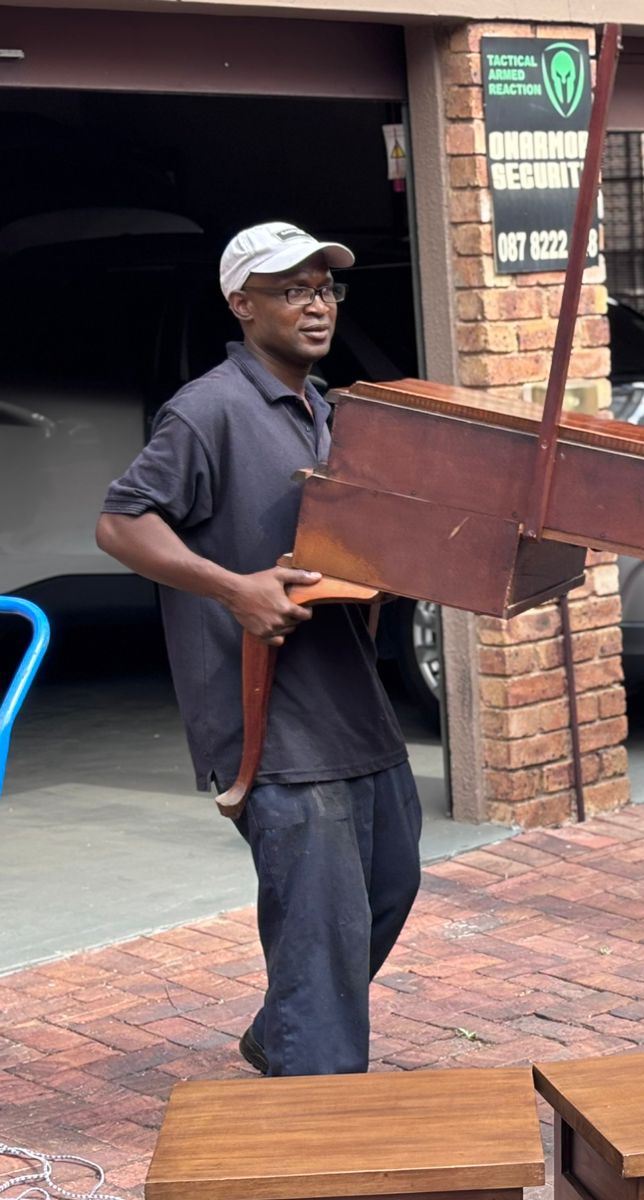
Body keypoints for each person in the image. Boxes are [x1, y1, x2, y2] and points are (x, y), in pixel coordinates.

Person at [96, 222, 421, 1077]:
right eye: (291, 289)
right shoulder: (210, 411)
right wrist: (233, 587)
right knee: (322, 933)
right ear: (242, 305)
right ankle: (318, 1126)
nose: (316, 306)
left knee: (391, 886)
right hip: (274, 724)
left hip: (354, 705)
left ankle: (281, 1033)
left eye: (325, 289)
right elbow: (120, 521)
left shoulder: (327, 410)